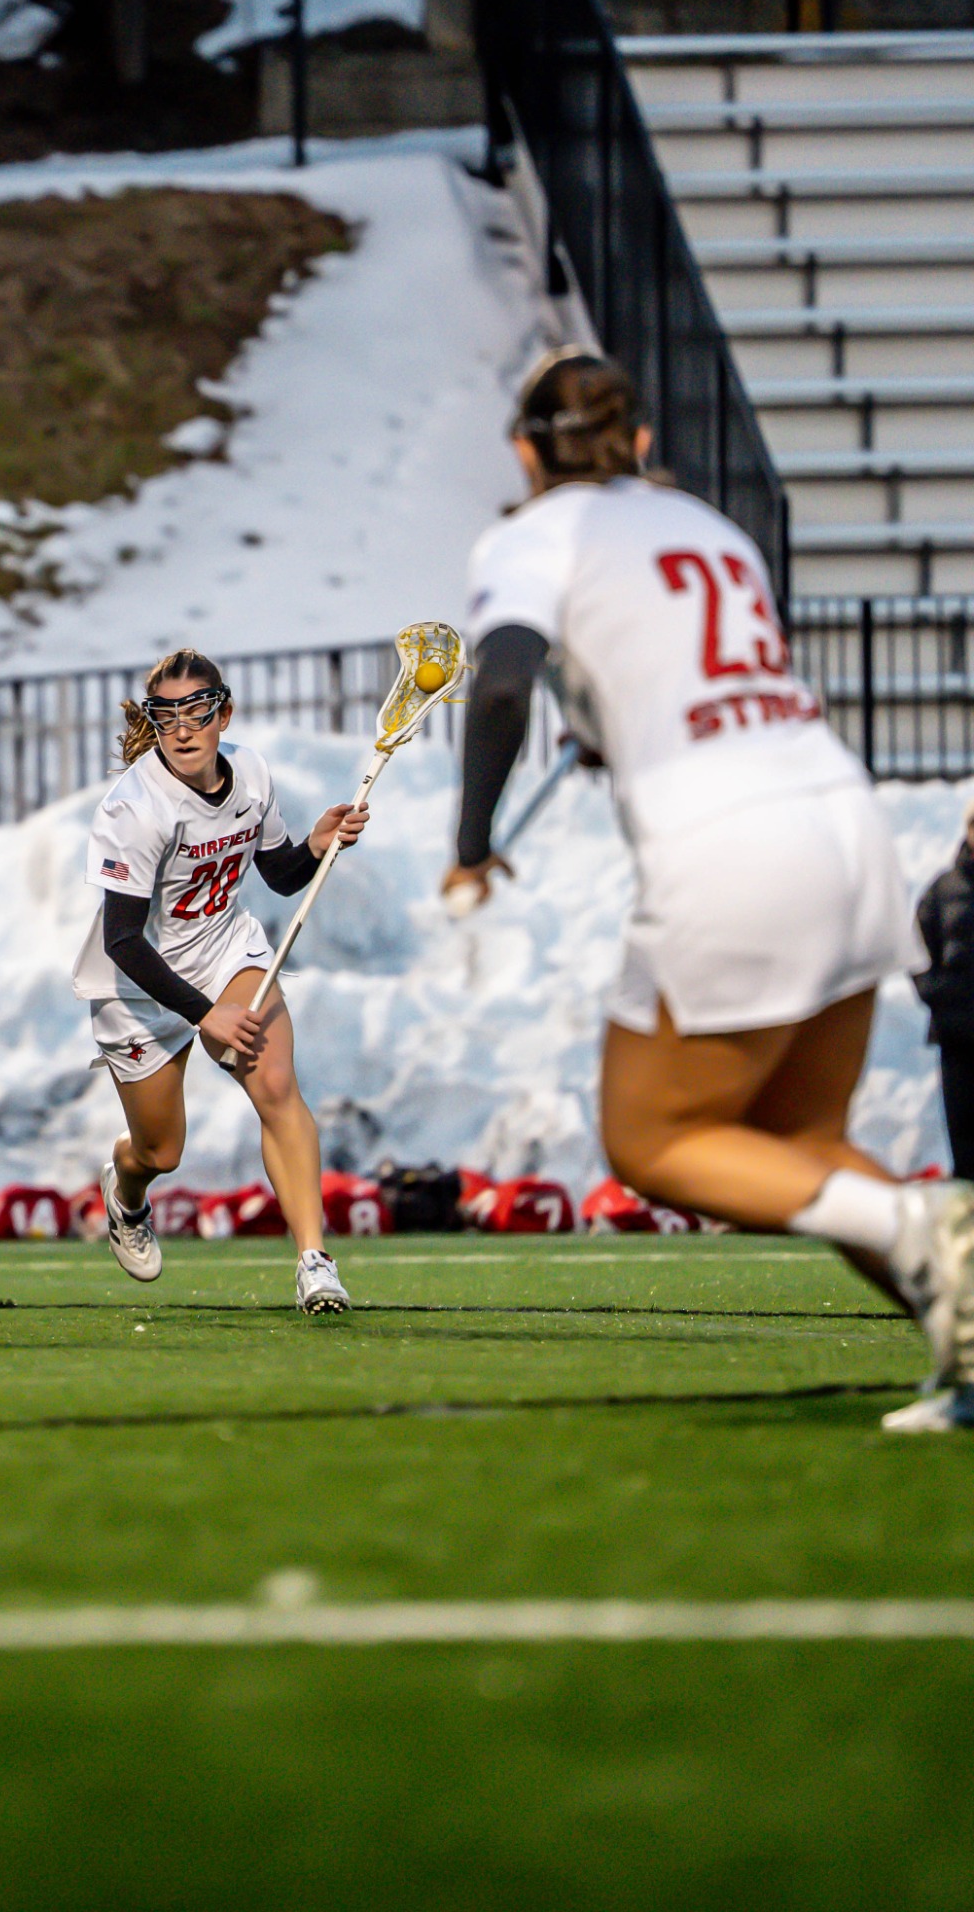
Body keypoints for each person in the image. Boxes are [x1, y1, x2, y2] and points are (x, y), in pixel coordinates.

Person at [442, 347, 974, 1433]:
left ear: (525, 452)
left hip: (728, 843)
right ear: (640, 438)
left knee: (653, 1139)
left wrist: (471, 842)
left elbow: (499, 682)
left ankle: (921, 1222)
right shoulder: (707, 525)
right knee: (800, 1140)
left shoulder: (533, 534)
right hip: (841, 814)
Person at [74, 650, 368, 1313]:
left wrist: (317, 846)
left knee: (276, 1084)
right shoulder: (134, 809)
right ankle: (126, 1189)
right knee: (161, 1151)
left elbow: (281, 876)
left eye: (198, 711)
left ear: (224, 713)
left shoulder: (252, 773)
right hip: (137, 984)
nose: (183, 730)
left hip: (223, 950)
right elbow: (123, 941)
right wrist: (204, 1014)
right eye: (167, 715)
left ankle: (315, 1262)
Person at [913, 798, 974, 1178]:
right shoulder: (943, 889)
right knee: (964, 1132)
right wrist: (937, 994)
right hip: (958, 1036)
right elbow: (918, 951)